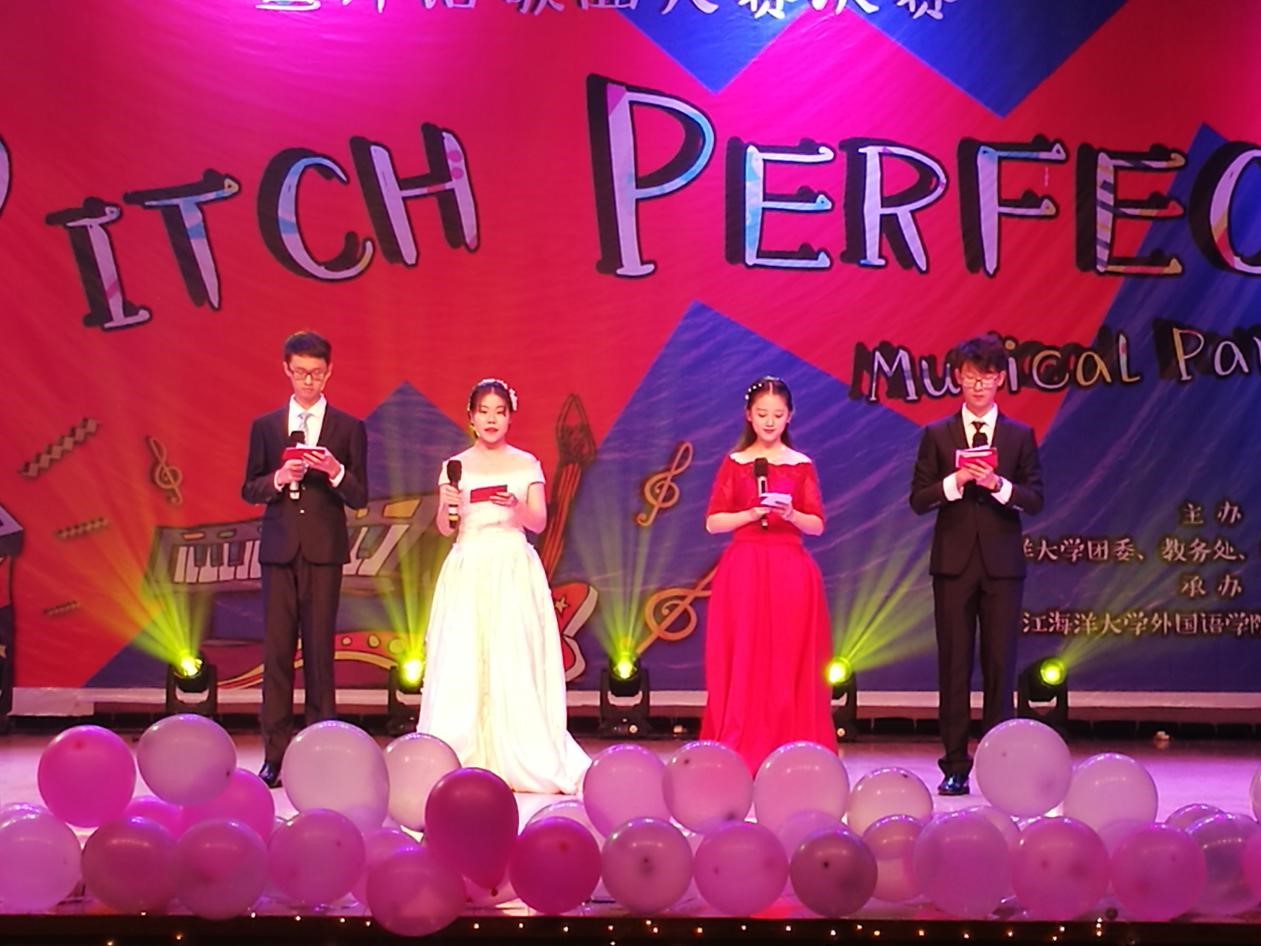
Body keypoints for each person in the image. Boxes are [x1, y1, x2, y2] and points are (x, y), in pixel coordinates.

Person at [417, 378, 589, 794]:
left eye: (499, 412)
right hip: (468, 566)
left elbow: (539, 522)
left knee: (513, 655)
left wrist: (516, 507)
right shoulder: (454, 466)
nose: (491, 419)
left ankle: (522, 751)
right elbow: (444, 527)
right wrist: (450, 508)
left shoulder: (526, 464)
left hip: (512, 565)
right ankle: (461, 752)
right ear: (471, 418)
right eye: (484, 412)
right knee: (463, 656)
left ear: (510, 417)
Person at [909, 333, 1044, 796]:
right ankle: (954, 766)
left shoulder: (1019, 435)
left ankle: (999, 766)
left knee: (1001, 666)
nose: (979, 385)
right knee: (954, 665)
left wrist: (997, 485)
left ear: (1000, 379)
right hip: (953, 564)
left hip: (1003, 566)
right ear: (958, 379)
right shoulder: (937, 435)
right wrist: (957, 480)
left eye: (987, 376)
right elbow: (918, 499)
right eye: (970, 376)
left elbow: (1035, 498)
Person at [242, 330, 368, 789]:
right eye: (300, 373)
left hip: (323, 552)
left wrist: (334, 470)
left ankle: (321, 754)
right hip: (279, 552)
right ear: (287, 370)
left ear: (329, 372)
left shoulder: (348, 428)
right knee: (277, 655)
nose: (308, 381)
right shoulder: (266, 426)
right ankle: (274, 756)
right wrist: (279, 477)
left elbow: (360, 495)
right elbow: (249, 487)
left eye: (316, 373)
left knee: (319, 656)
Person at [701, 376, 837, 774]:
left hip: (790, 570)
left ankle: (792, 746)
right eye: (762, 414)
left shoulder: (801, 464)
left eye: (777, 414)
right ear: (749, 415)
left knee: (788, 657)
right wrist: (750, 513)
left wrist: (790, 514)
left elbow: (817, 525)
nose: (770, 421)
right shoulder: (735, 463)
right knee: (744, 654)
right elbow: (713, 522)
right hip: (744, 569)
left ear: (790, 416)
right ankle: (739, 745)